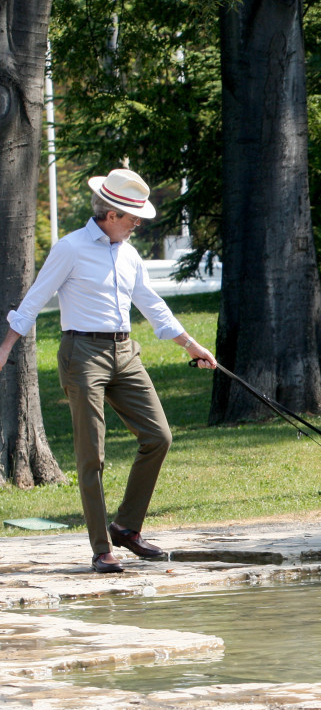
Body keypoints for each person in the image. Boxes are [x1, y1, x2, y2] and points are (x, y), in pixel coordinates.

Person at [0, 169, 217, 574]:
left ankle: (125, 528)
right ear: (112, 213)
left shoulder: (129, 253)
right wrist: (6, 346)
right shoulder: (71, 248)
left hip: (125, 352)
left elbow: (153, 306)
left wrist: (193, 346)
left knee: (159, 436)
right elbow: (35, 297)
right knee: (91, 455)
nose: (138, 224)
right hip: (82, 353)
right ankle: (102, 548)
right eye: (133, 217)